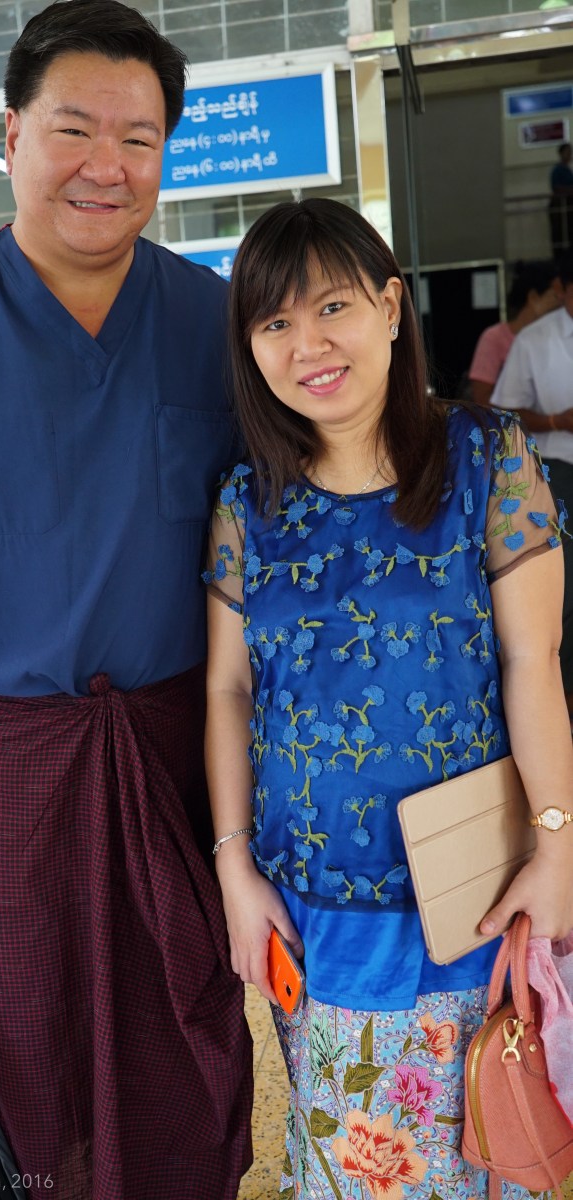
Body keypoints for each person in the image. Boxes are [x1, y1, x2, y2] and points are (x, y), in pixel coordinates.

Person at [0, 3, 253, 1198]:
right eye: (74, 129)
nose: (108, 164)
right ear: (12, 135)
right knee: (20, 1063)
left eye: (139, 138)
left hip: (176, 753)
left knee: (188, 1045)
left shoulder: (215, 323)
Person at [203, 198, 573, 1199]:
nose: (308, 344)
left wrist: (557, 845)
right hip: (312, 901)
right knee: (349, 1163)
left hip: (470, 889)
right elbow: (229, 689)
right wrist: (233, 866)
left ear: (393, 306)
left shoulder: (488, 460)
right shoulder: (247, 503)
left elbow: (533, 661)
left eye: (333, 307)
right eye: (275, 321)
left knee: (485, 1142)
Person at [491, 249, 573, 722]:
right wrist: (558, 419)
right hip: (560, 469)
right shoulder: (535, 340)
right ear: (562, 290)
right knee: (563, 591)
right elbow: (505, 410)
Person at [467, 259, 560, 407]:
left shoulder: (554, 337)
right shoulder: (494, 337)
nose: (560, 303)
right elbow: (482, 399)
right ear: (533, 297)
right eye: (555, 296)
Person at [549, 142, 573, 257]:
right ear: (561, 153)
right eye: (567, 152)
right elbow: (556, 188)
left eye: (570, 152)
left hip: (568, 206)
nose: (569, 155)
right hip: (560, 206)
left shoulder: (567, 170)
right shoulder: (557, 170)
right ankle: (560, 259)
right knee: (559, 234)